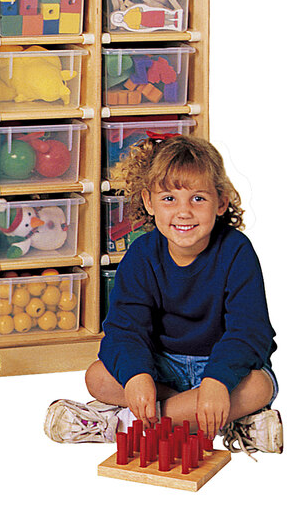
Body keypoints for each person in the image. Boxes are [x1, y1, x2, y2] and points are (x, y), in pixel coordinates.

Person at [44, 135, 282, 456]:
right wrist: (138, 375)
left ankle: (125, 425)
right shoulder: (141, 255)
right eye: (169, 199)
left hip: (222, 366)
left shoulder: (237, 251)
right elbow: (125, 330)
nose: (183, 212)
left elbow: (249, 331)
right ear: (148, 201)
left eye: (198, 198)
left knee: (258, 387)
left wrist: (218, 380)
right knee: (98, 378)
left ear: (221, 202)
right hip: (163, 368)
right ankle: (222, 420)